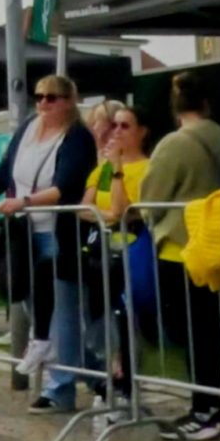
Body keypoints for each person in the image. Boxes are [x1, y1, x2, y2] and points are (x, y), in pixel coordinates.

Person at [0, 75, 97, 411]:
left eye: (52, 98)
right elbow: (1, 174)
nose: (44, 104)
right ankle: (96, 373)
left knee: (62, 313)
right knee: (36, 311)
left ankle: (59, 388)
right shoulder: (29, 128)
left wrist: (25, 202)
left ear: (69, 101)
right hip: (24, 234)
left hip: (58, 234)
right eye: (39, 97)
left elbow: (67, 186)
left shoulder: (77, 137)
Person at [125, 74, 220, 440]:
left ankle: (204, 409)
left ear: (175, 109)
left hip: (181, 248)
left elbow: (150, 198)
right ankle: (213, 402)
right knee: (214, 327)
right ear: (207, 103)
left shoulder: (173, 144)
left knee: (192, 331)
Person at [75, 102, 149, 404]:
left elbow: (122, 210)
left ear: (141, 132)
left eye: (124, 126)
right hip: (100, 250)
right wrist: (108, 214)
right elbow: (84, 208)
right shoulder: (102, 168)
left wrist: (118, 170)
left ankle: (127, 381)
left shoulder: (145, 167)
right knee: (97, 316)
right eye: (114, 125)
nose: (115, 132)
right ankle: (106, 375)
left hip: (130, 250)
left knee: (126, 317)